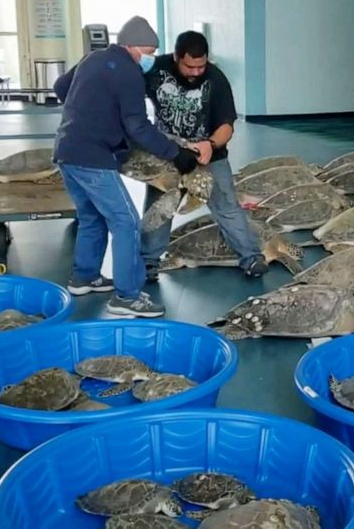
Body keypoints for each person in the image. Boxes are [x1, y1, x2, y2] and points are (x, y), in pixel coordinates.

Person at [51, 16, 205, 317]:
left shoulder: (93, 58)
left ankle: (84, 277)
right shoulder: (129, 73)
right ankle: (127, 296)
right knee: (126, 221)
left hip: (66, 151)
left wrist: (90, 109)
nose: (149, 58)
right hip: (93, 158)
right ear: (131, 47)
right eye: (147, 52)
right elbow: (138, 127)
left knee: (91, 216)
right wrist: (175, 153)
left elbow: (60, 87)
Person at [140, 30, 268, 281]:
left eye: (201, 66)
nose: (197, 72)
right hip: (167, 155)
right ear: (176, 57)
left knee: (227, 206)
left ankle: (251, 258)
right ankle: (148, 263)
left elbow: (227, 125)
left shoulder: (216, 79)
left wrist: (210, 144)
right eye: (190, 66)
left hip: (209, 156)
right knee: (159, 208)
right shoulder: (155, 69)